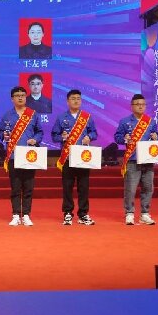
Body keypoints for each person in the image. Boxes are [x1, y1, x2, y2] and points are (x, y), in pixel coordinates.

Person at [0, 86, 43, 226]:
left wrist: (35, 140)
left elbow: (40, 132)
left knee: (28, 187)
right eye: (17, 95)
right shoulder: (7, 115)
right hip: (14, 156)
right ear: (12, 99)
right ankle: (16, 214)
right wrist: (4, 136)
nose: (20, 97)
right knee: (15, 187)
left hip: (30, 156)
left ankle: (26, 215)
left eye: (22, 95)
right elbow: (0, 131)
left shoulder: (33, 114)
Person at [51, 89, 98, 226]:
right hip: (68, 157)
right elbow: (54, 136)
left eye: (78, 98)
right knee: (67, 186)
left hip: (83, 157)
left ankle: (83, 214)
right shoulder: (61, 117)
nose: (76, 101)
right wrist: (62, 137)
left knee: (84, 187)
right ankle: (67, 213)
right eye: (73, 98)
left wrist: (89, 137)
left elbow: (94, 133)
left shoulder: (87, 117)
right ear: (67, 101)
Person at [114, 94, 158, 226]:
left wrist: (156, 137)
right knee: (130, 189)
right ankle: (129, 213)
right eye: (138, 104)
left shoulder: (150, 122)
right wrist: (124, 139)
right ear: (132, 106)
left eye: (143, 104)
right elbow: (117, 137)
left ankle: (145, 214)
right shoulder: (125, 121)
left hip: (148, 159)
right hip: (132, 159)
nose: (141, 106)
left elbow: (156, 137)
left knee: (148, 188)